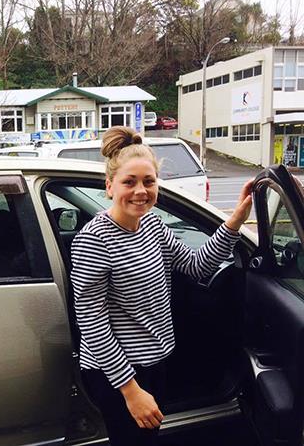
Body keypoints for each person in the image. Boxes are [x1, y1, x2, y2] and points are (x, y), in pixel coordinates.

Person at [70, 126, 253, 446]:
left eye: (149, 181)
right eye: (129, 182)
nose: (140, 191)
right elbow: (91, 321)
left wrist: (235, 220)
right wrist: (131, 390)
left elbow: (197, 266)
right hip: (118, 373)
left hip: (156, 361)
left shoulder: (153, 225)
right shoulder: (93, 240)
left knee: (149, 438)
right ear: (110, 186)